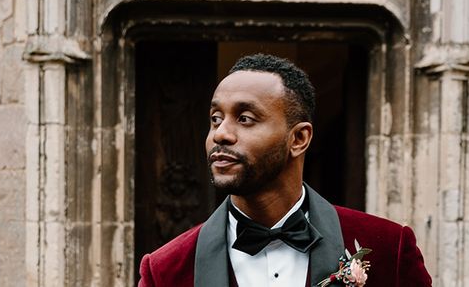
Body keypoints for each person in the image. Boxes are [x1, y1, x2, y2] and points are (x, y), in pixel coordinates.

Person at [138, 54, 432, 286]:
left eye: (245, 118)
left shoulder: (388, 248)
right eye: (216, 118)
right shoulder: (164, 270)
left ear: (299, 139)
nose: (220, 134)